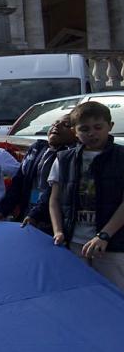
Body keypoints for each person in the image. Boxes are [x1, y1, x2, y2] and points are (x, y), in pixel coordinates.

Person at [48, 100, 124, 289]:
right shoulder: (64, 159)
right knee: (80, 293)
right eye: (84, 129)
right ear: (75, 131)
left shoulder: (121, 157)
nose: (92, 133)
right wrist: (58, 231)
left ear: (110, 126)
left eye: (98, 127)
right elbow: (54, 200)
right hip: (74, 242)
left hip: (112, 245)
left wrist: (104, 235)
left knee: (113, 295)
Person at [0, 117, 74, 231]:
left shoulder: (70, 156)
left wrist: (35, 214)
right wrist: (3, 210)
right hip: (27, 213)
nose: (56, 126)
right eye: (55, 123)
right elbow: (19, 181)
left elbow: (52, 191)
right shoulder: (37, 148)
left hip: (51, 221)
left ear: (76, 132)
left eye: (65, 125)